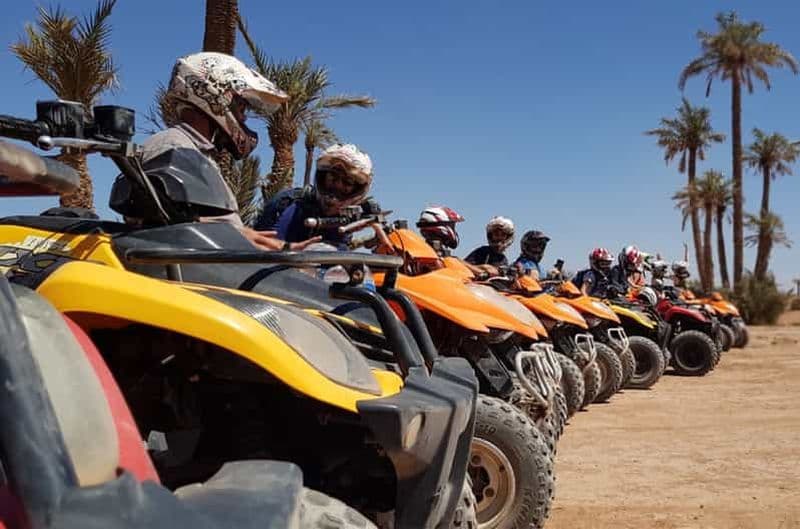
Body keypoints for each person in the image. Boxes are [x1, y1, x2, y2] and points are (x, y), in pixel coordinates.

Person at [117, 52, 318, 251]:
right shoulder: (173, 147)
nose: (244, 118)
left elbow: (183, 220)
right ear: (216, 97)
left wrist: (245, 240)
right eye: (241, 108)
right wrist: (233, 235)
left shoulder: (194, 151)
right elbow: (159, 228)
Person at [266, 144, 374, 249]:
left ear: (357, 190)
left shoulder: (351, 219)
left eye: (347, 182)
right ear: (322, 177)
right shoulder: (289, 204)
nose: (337, 186)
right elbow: (261, 250)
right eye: (333, 177)